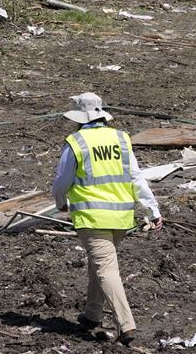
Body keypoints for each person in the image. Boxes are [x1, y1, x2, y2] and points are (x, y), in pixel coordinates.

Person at [51, 92, 162, 346]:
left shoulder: (76, 142)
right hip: (121, 216)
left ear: (79, 117)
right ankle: (92, 314)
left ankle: (126, 325)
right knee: (99, 264)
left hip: (92, 216)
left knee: (105, 269)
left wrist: (60, 202)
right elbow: (136, 177)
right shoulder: (121, 138)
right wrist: (152, 210)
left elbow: (62, 180)